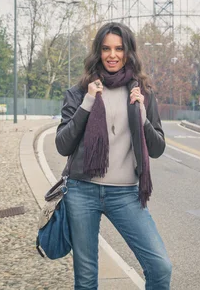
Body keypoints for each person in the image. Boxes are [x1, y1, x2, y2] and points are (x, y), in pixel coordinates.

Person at [55, 22, 171, 290]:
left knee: (160, 266)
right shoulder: (78, 92)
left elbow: (157, 148)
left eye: (119, 48)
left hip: (126, 195)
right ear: (98, 52)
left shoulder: (142, 94)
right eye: (106, 48)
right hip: (82, 191)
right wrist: (86, 103)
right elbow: (63, 145)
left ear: (129, 52)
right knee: (85, 279)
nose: (112, 55)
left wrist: (142, 119)